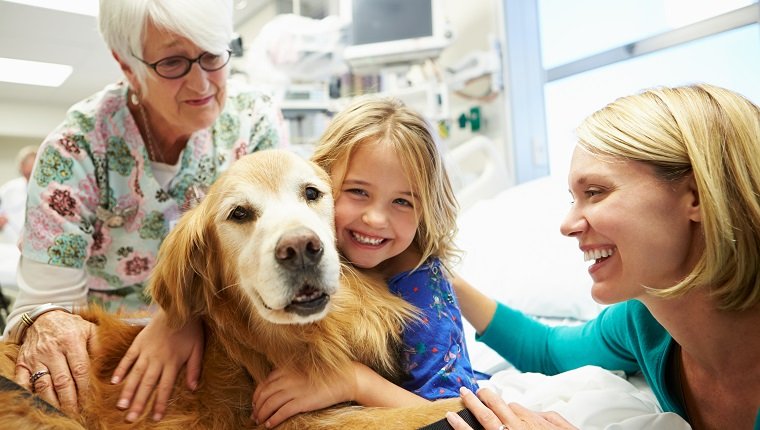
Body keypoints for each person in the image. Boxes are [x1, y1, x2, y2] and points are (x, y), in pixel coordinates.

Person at [1, 0, 285, 419]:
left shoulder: (253, 122)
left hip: (225, 342)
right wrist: (50, 325)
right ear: (127, 64)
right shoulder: (76, 151)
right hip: (111, 363)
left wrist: (182, 316)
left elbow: (270, 262)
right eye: (173, 62)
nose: (202, 83)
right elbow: (44, 309)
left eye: (212, 54)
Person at [444, 84, 760, 430]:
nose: (567, 225)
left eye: (595, 192)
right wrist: (444, 276)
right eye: (573, 199)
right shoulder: (645, 324)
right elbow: (547, 350)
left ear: (697, 196)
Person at [0, 145, 37, 245]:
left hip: (35, 247)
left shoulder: (48, 191)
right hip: (10, 244)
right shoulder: (8, 189)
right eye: (27, 173)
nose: (29, 178)